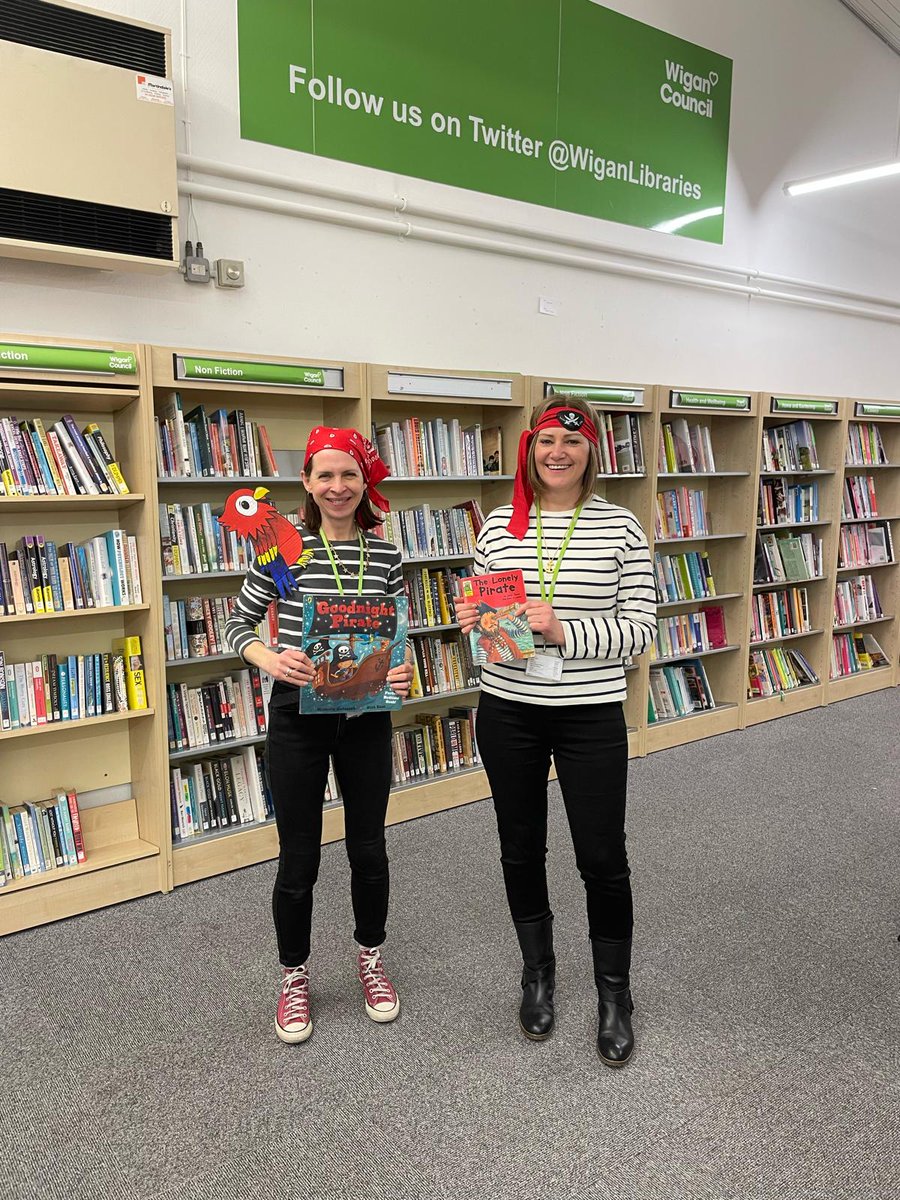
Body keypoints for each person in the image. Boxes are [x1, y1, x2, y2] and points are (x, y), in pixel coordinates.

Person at [455, 396, 656, 1066]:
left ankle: (613, 992)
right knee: (520, 847)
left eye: (571, 444)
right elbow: (497, 633)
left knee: (602, 856)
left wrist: (560, 628)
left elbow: (639, 632)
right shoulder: (499, 531)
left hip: (590, 712)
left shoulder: (623, 528)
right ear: (530, 450)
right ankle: (537, 973)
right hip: (508, 707)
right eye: (545, 443)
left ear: (591, 451)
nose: (558, 454)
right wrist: (482, 624)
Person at [225, 426, 414, 1044]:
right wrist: (267, 657)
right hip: (297, 717)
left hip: (366, 715)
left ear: (365, 483)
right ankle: (294, 975)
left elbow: (396, 632)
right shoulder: (283, 548)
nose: (338, 487)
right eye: (325, 475)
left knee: (369, 847)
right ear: (306, 482)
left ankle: (370, 958)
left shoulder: (386, 554)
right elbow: (237, 623)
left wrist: (403, 669)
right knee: (299, 854)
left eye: (349, 475)